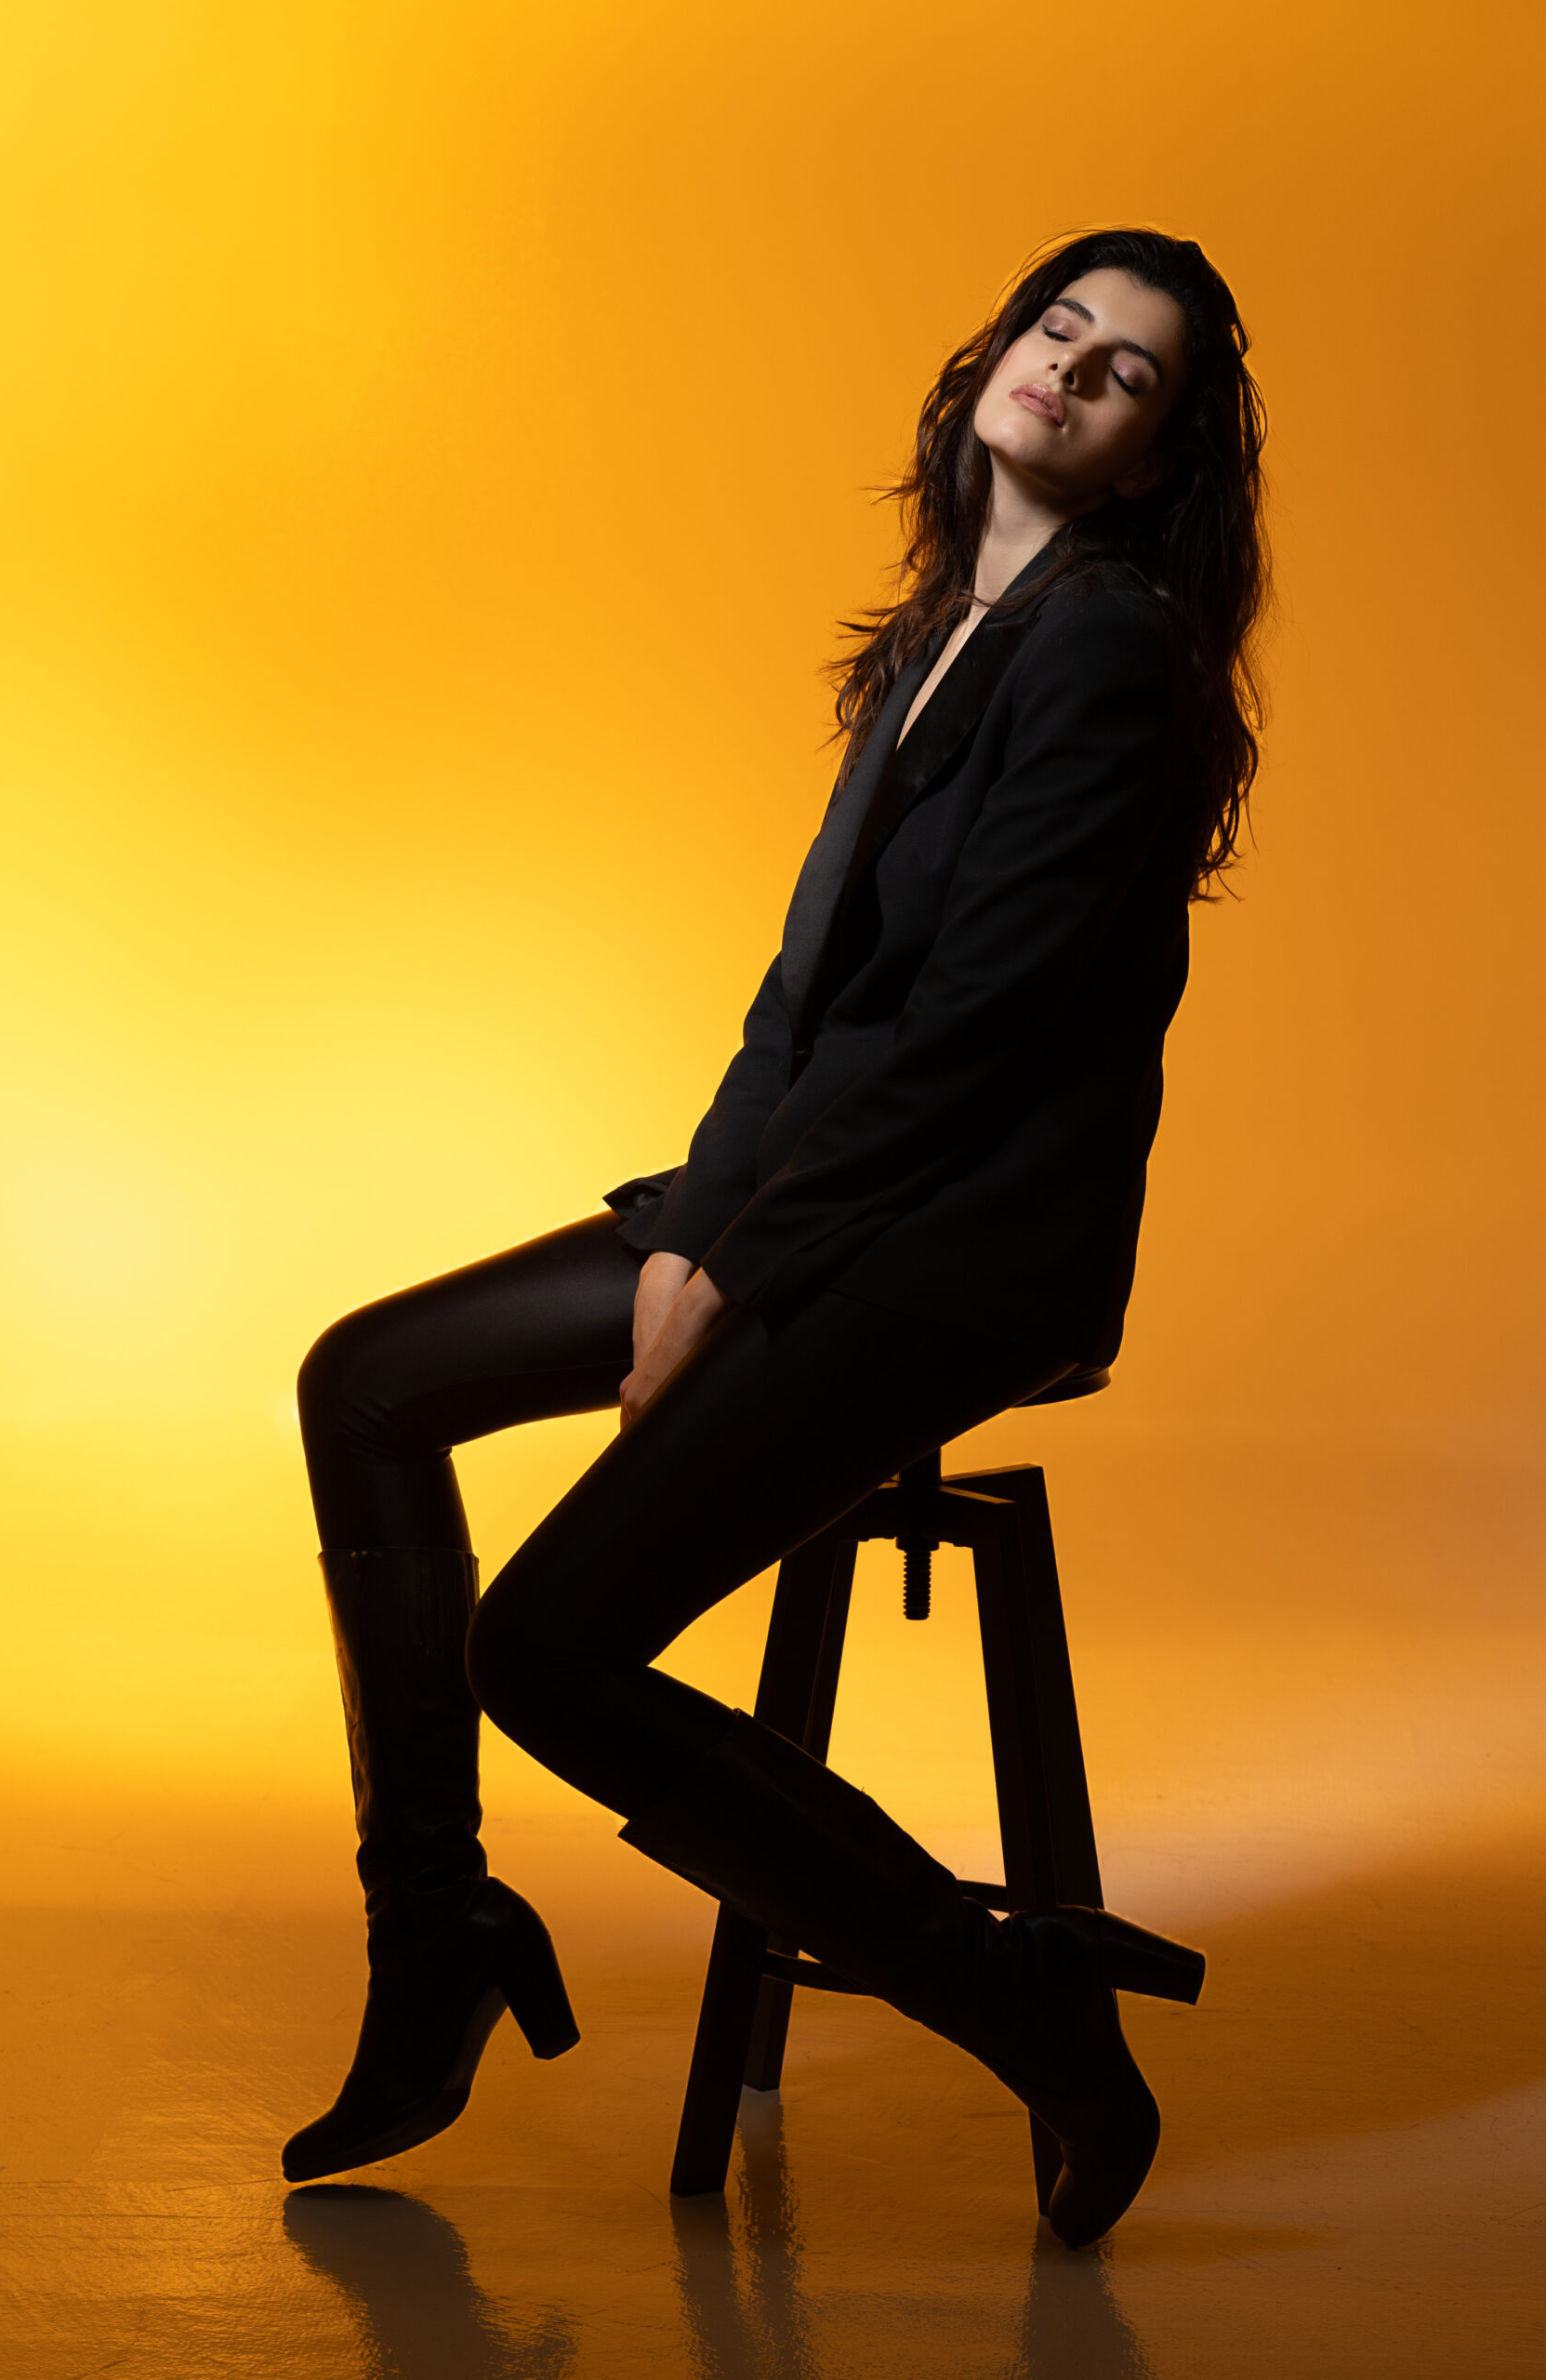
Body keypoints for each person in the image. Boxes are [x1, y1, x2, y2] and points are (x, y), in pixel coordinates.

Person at [283, 227, 1269, 2249]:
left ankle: (1015, 2001)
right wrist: (693, 1227)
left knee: (542, 1649)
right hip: (814, 1190)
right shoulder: (942, 630)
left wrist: (734, 1270)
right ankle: (438, 1925)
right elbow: (802, 994)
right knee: (366, 1381)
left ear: (1157, 458)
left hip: (951, 1251)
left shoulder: (1100, 648)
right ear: (993, 356)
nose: (1072, 371)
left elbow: (972, 1035)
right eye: (1058, 328)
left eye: (1128, 375)